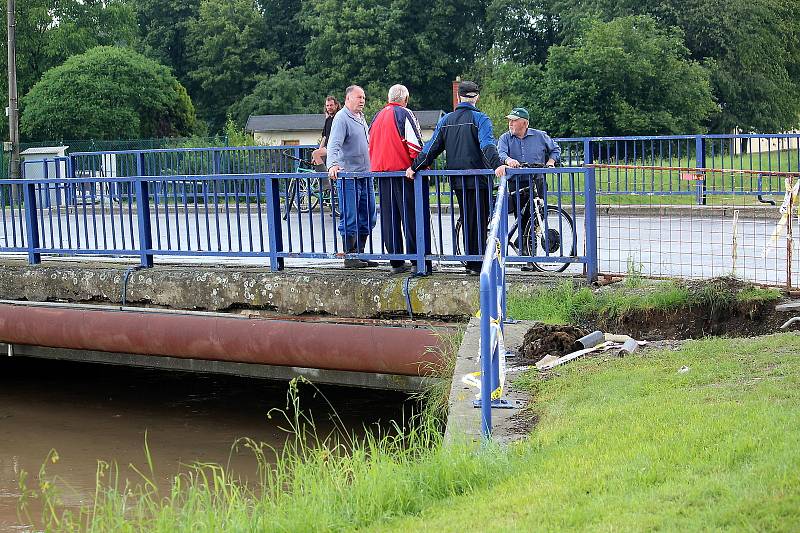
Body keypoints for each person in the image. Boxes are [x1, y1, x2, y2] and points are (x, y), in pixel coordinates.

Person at [406, 80, 507, 275]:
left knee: (468, 218)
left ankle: (471, 262)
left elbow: (431, 148)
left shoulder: (446, 120)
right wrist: (497, 165)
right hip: (479, 179)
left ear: (459, 97)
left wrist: (414, 166)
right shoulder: (481, 119)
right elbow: (487, 146)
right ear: (476, 97)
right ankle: (477, 263)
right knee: (480, 219)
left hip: (458, 180)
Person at [369, 84, 431, 276]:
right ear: (405, 99)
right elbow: (415, 145)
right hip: (405, 173)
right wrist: (421, 166)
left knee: (390, 219)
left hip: (382, 174)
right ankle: (418, 260)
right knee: (412, 217)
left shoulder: (376, 117)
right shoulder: (404, 114)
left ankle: (396, 261)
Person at [497, 107, 561, 271]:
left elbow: (555, 149)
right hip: (517, 184)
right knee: (523, 217)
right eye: (509, 120)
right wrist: (509, 160)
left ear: (524, 123)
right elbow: (501, 153)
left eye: (514, 120)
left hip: (537, 182)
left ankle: (527, 252)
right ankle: (527, 255)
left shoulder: (540, 135)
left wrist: (551, 162)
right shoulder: (505, 138)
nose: (510, 123)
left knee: (538, 216)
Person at [327, 85, 377, 269]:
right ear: (348, 99)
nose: (362, 100)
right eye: (358, 97)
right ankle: (351, 255)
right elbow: (334, 144)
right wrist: (332, 164)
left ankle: (360, 253)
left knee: (369, 215)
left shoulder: (360, 117)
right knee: (350, 216)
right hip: (349, 176)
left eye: (363, 97)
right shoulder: (341, 118)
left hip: (365, 174)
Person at [311, 96, 341, 168]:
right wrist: (318, 151)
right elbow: (324, 137)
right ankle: (324, 176)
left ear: (336, 106)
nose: (329, 107)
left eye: (331, 105)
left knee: (315, 154)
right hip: (328, 147)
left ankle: (325, 178)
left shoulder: (339, 118)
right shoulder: (328, 120)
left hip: (336, 148)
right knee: (316, 156)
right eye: (327, 105)